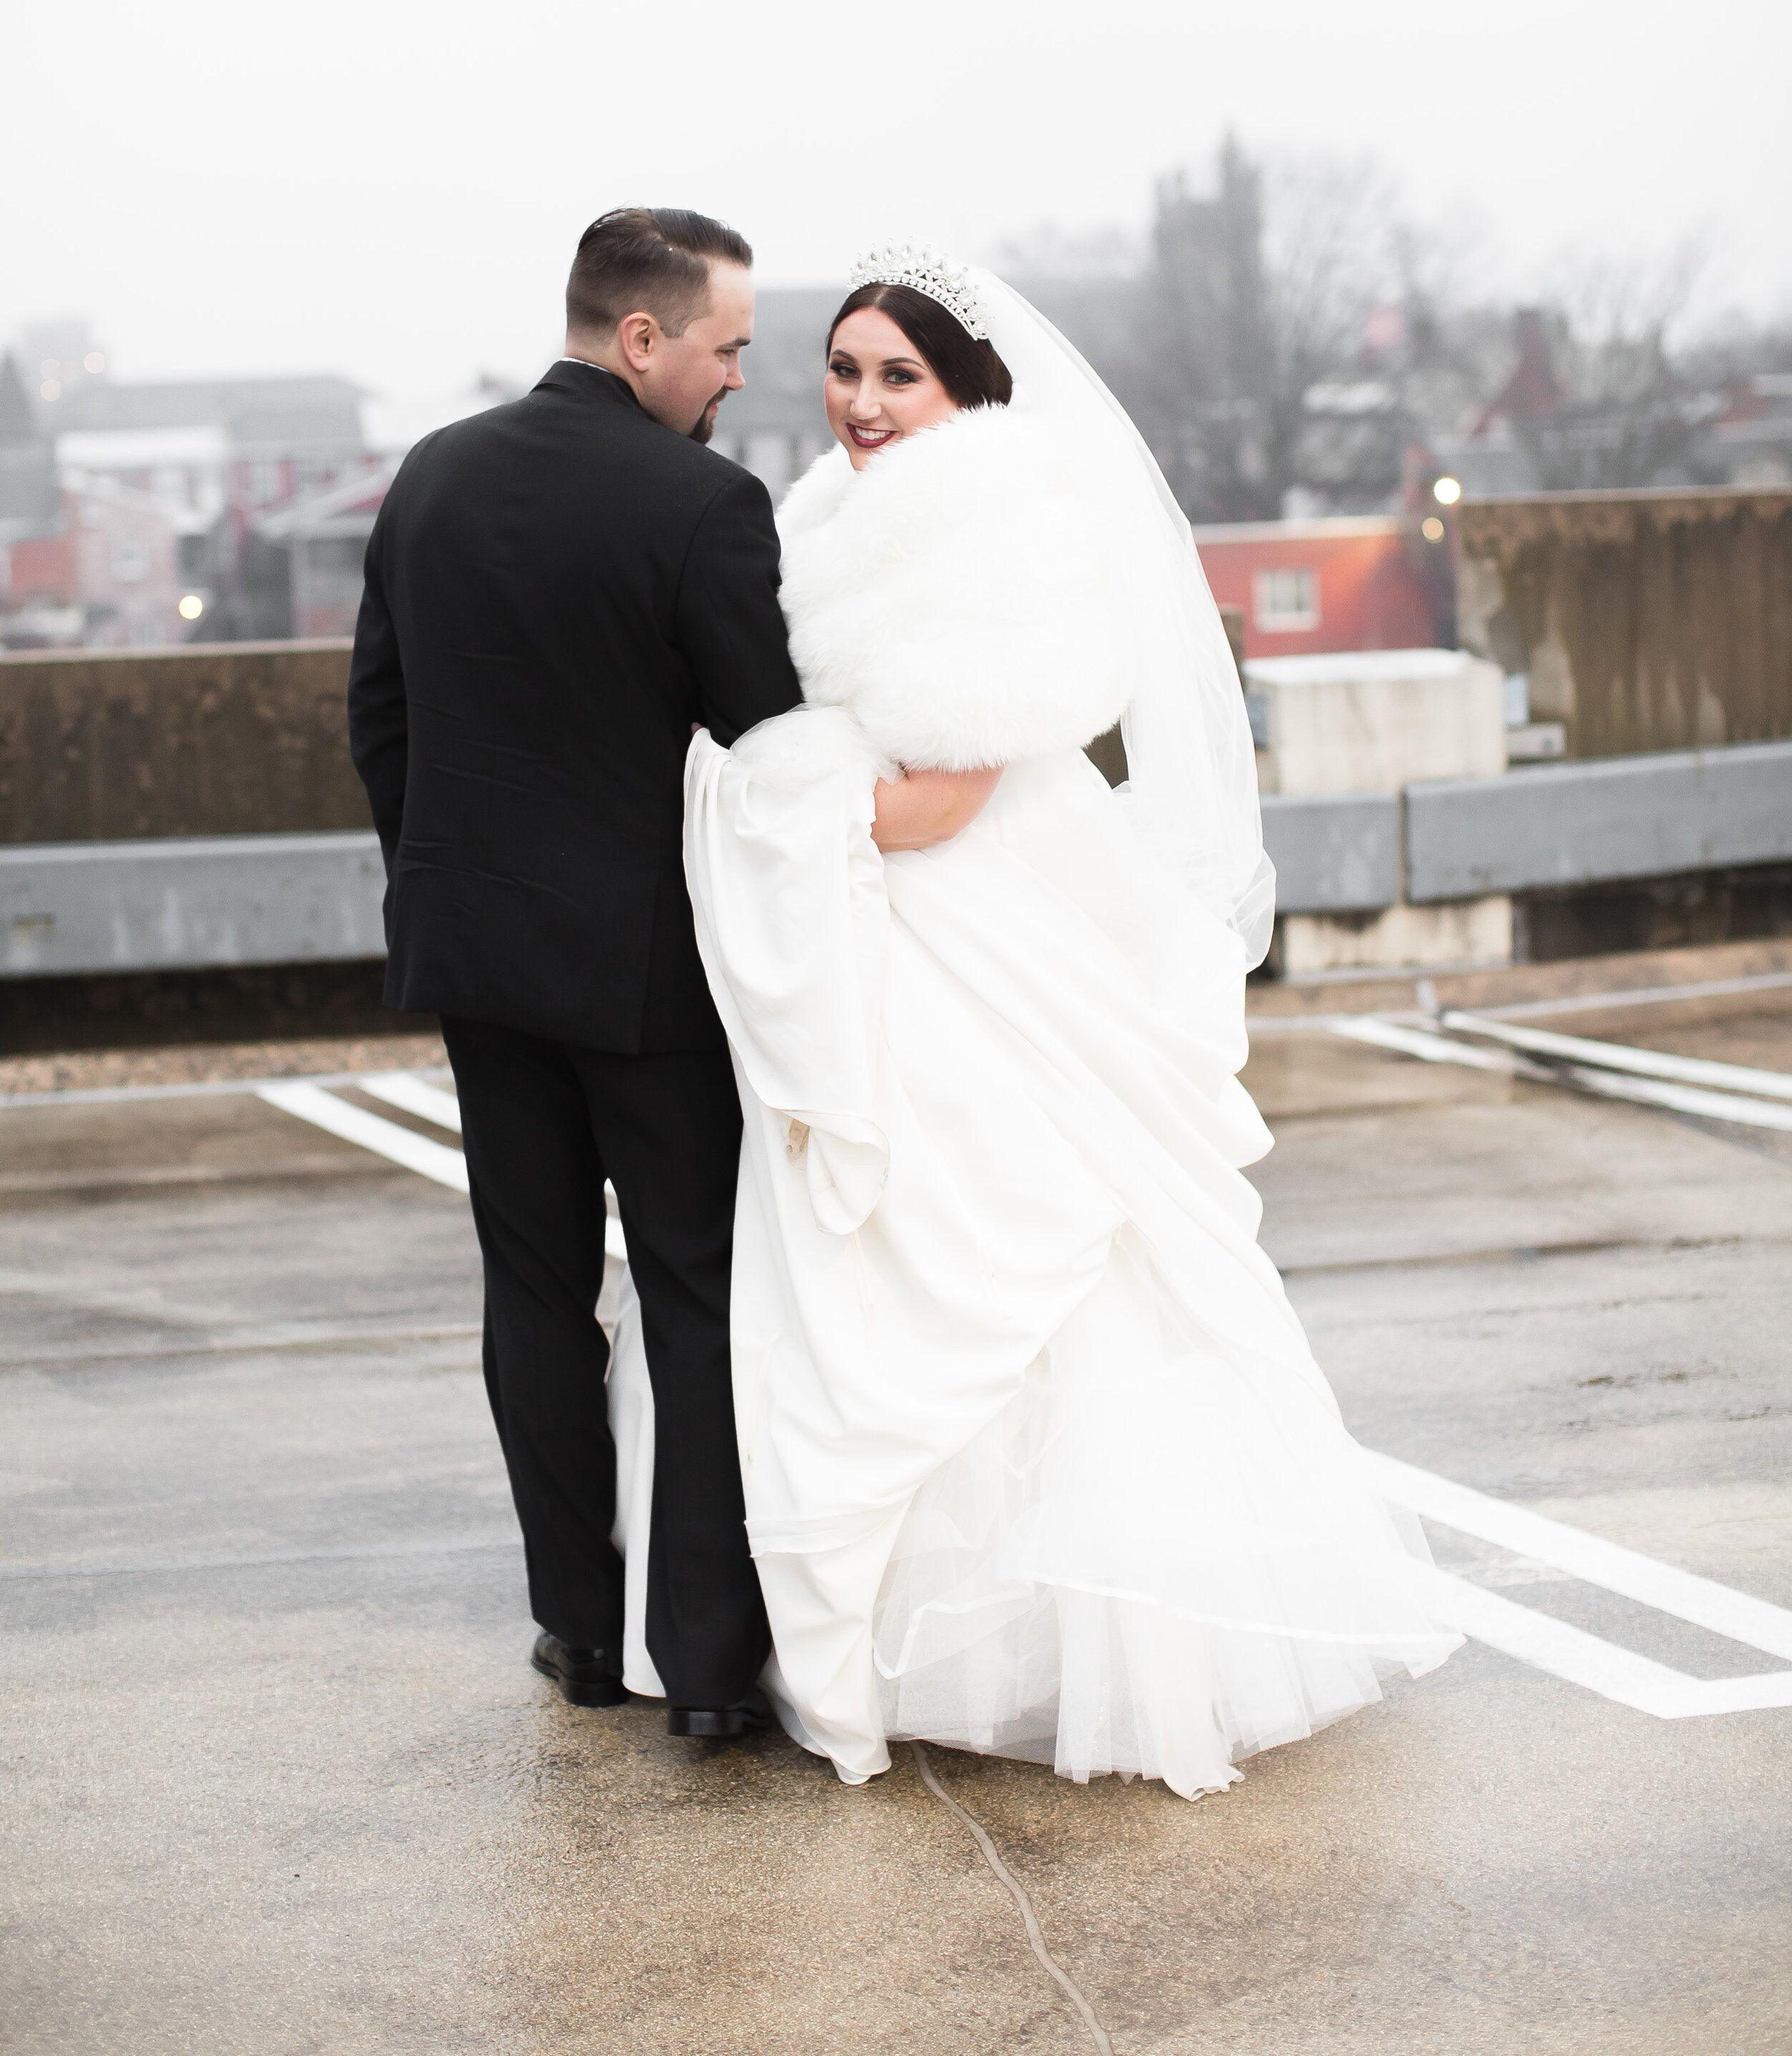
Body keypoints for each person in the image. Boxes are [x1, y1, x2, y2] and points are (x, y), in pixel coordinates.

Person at [616, 247, 1464, 1799]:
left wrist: (742, 790)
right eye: (846, 367)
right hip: (879, 936)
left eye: (901, 375)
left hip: (980, 933)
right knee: (886, 1278)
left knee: (1027, 1253)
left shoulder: (1002, 528)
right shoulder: (820, 511)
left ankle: (1065, 1646)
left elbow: (937, 804)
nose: (864, 402)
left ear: (969, 392)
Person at [347, 207, 802, 1738]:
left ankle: (580, 1630)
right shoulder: (706, 505)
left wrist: (451, 883)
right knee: (696, 1294)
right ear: (642, 336)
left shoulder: (430, 475)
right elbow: (770, 751)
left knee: (533, 1291)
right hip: (648, 977)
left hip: (479, 962)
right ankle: (710, 1672)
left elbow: (381, 718)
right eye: (726, 347)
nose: (737, 377)